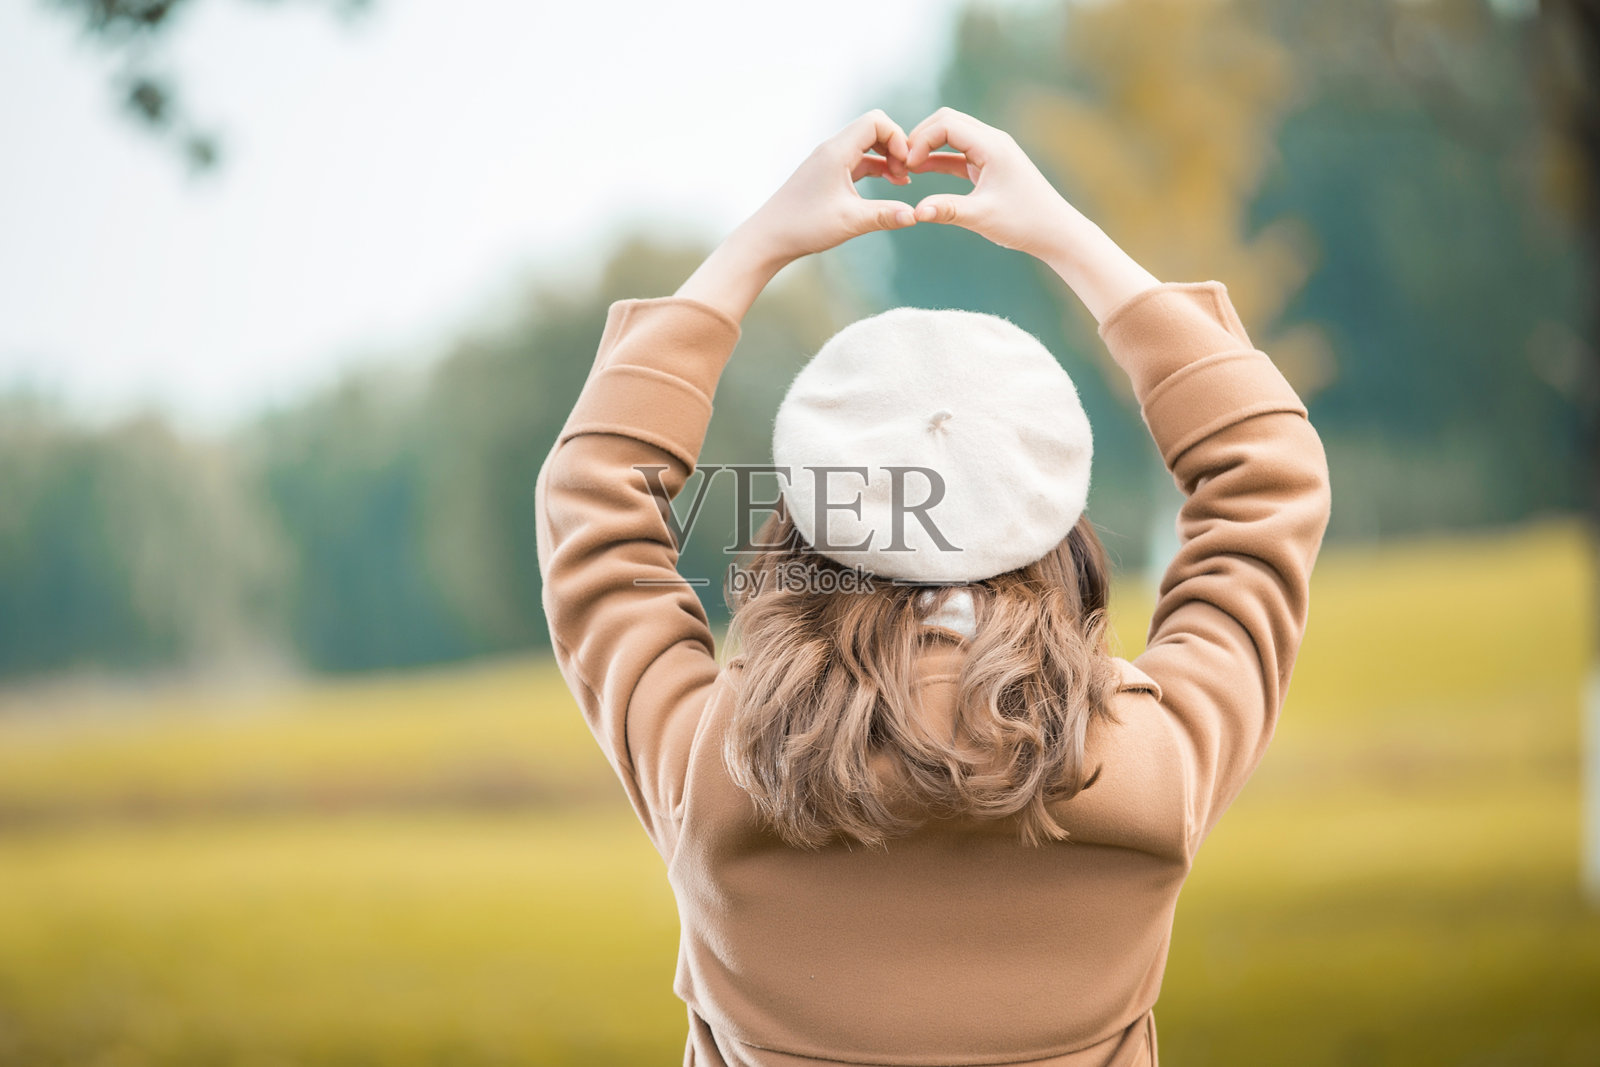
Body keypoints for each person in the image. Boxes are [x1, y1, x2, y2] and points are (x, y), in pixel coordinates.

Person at [535, 107, 1333, 1067]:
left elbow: (592, 502)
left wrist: (760, 245)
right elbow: (1267, 468)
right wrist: (1066, 234)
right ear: (1055, 531)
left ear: (806, 531)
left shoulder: (720, 766)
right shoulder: (1147, 771)